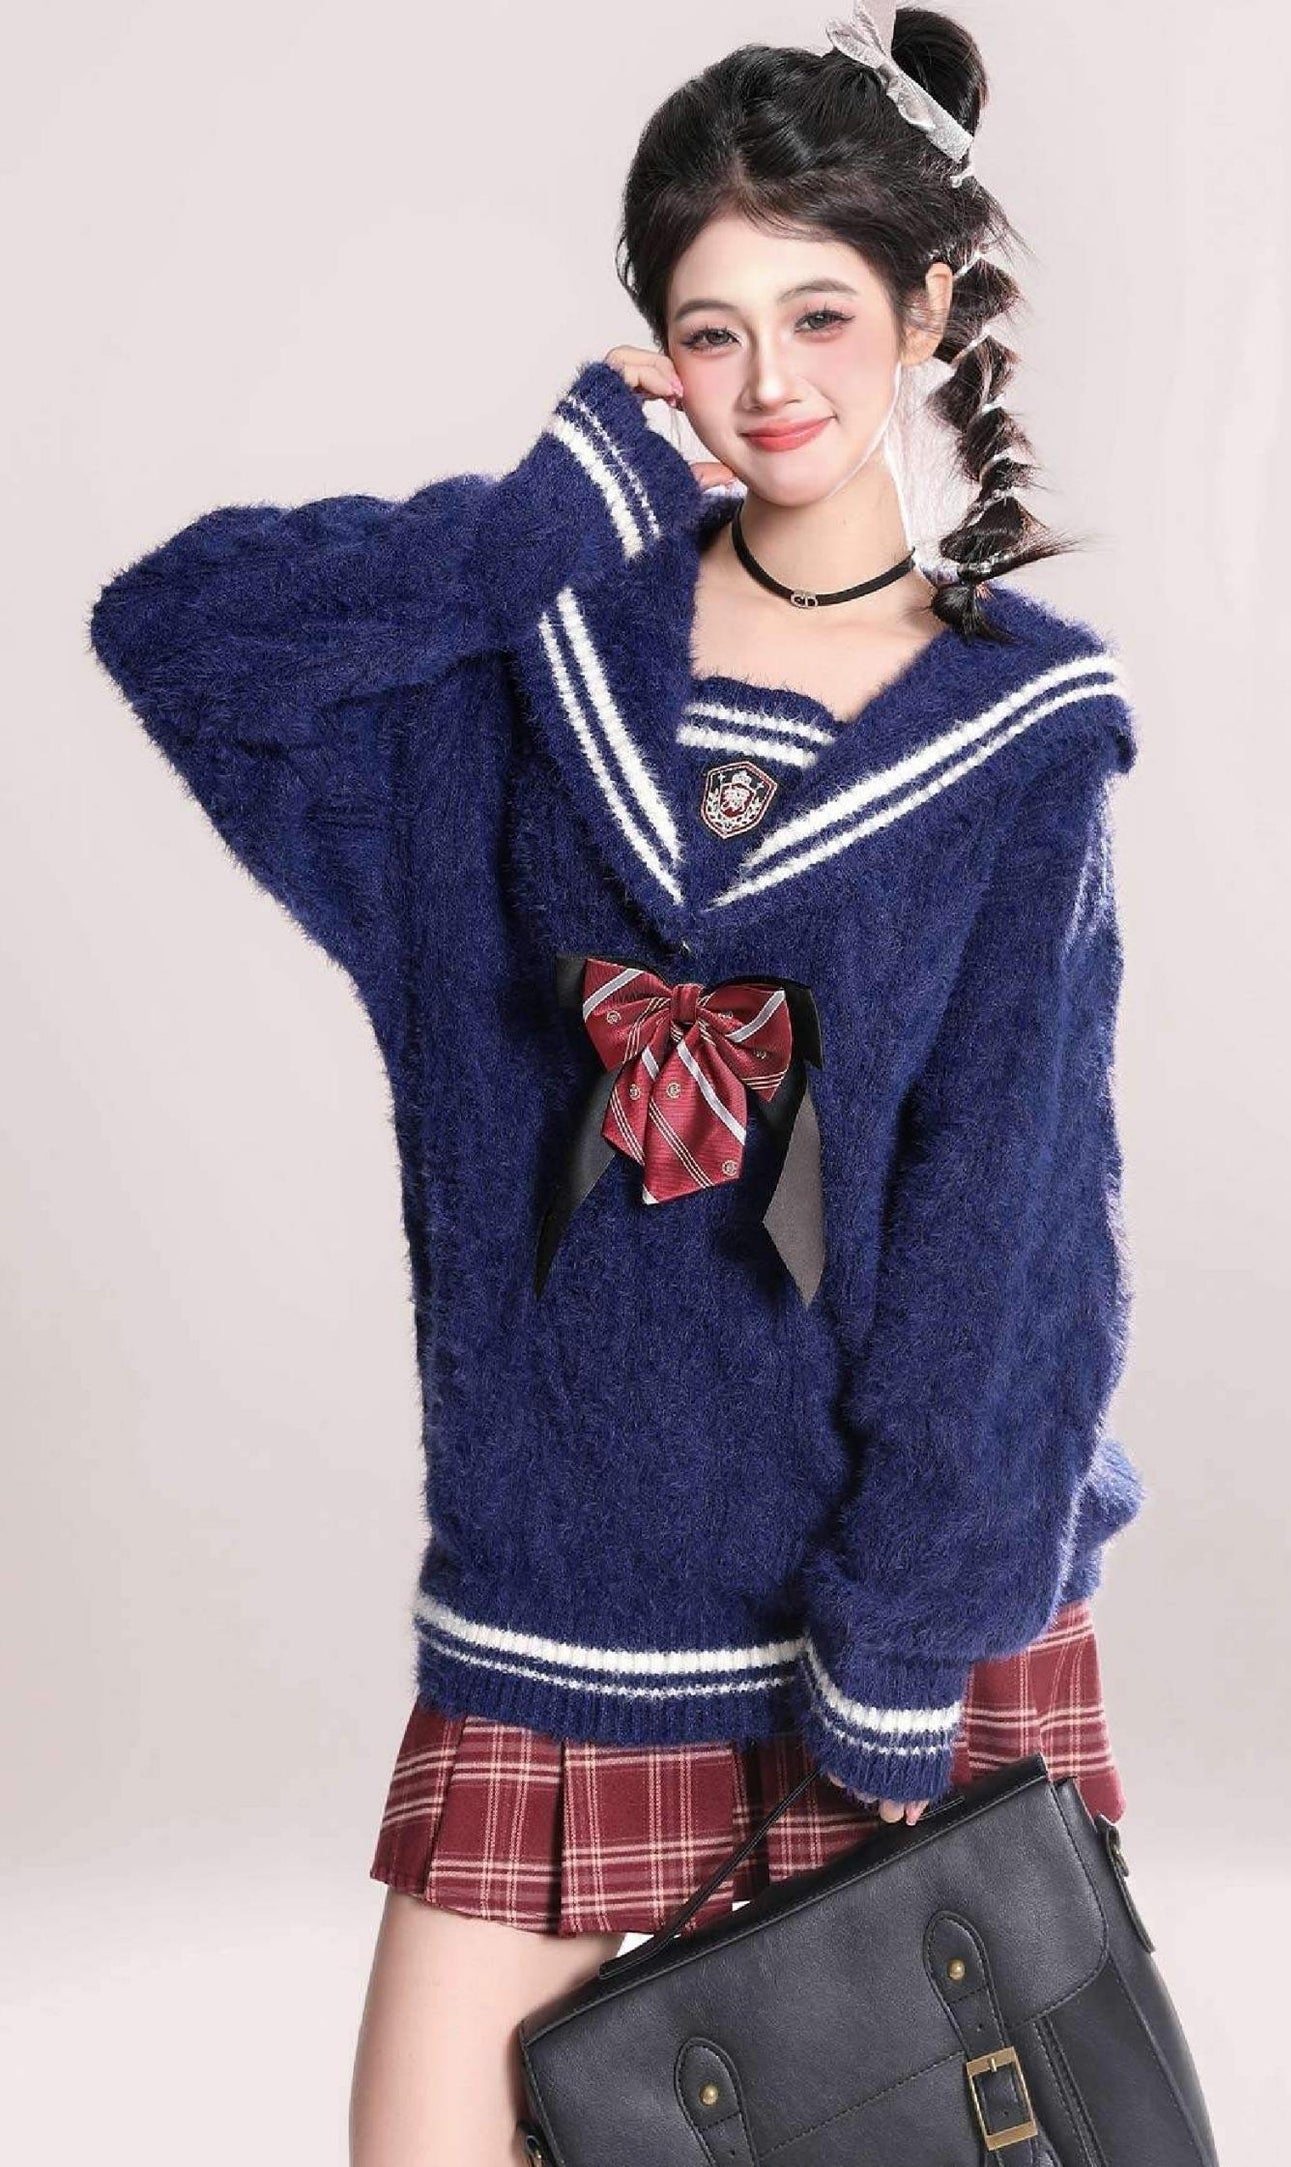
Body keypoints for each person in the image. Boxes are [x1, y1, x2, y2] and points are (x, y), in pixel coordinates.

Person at [88, 8, 1150, 2162]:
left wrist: (898, 1663)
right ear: (649, 347)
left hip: (885, 1625)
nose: (771, 383)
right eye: (711, 326)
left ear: (927, 310)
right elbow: (175, 632)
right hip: (560, 1592)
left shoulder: (1020, 737)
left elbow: (1012, 1241)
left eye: (823, 314)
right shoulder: (525, 673)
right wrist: (528, 528)